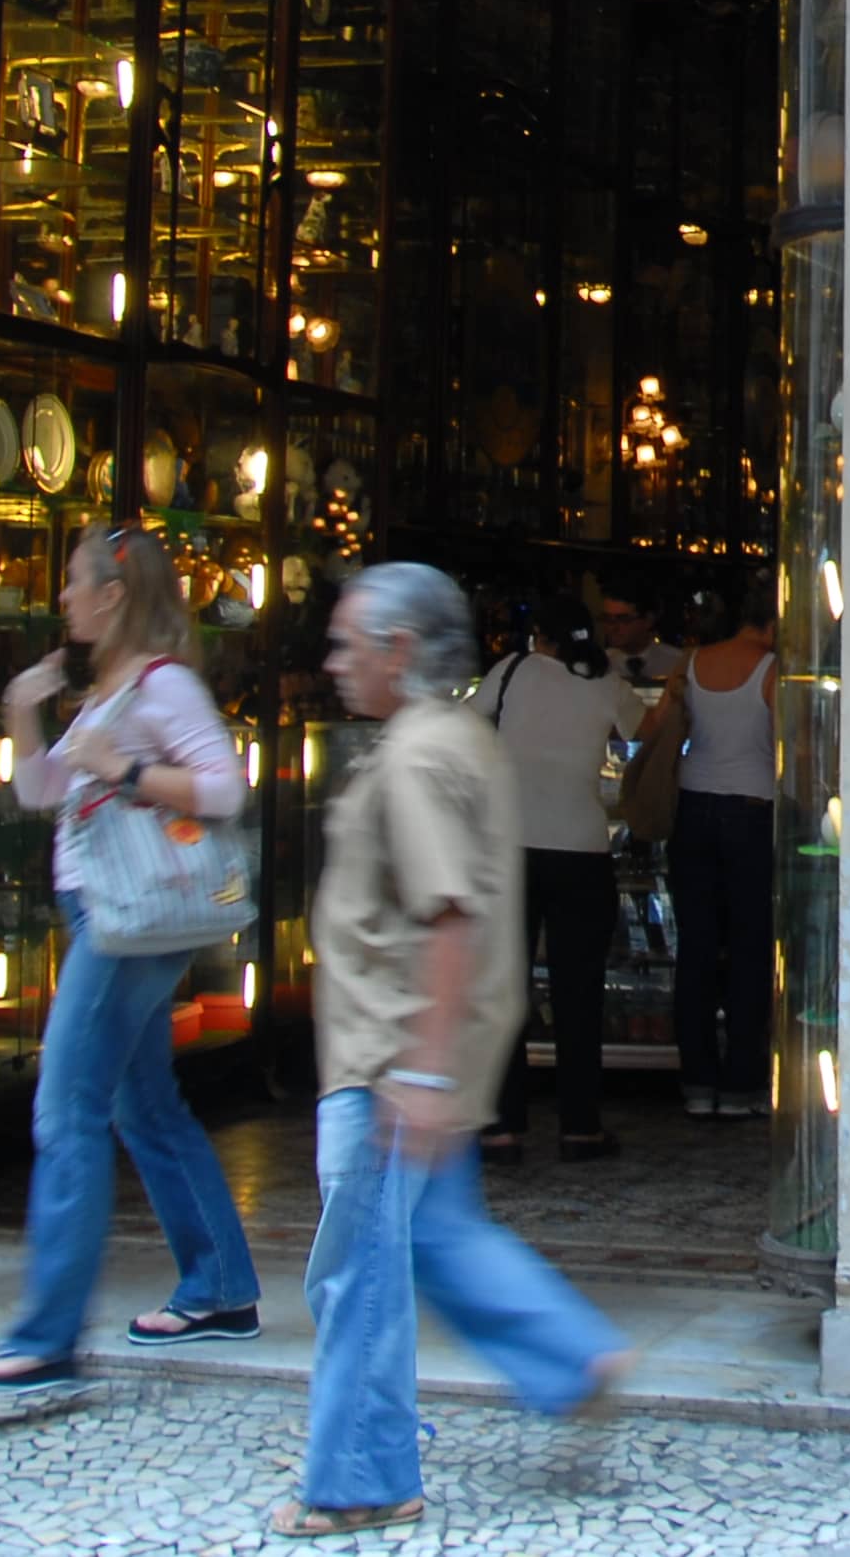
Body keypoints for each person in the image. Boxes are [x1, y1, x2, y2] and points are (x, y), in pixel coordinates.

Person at [277, 563, 631, 1539]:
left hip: (390, 1055)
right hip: (416, 1054)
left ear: (398, 650)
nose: (333, 661)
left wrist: (424, 1072)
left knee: (358, 1274)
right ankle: (571, 1356)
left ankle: (359, 1475)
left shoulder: (419, 755)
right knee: (434, 1239)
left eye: (347, 644)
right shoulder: (454, 738)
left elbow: (445, 914)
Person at [0, 525, 261, 1390]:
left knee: (67, 1110)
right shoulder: (115, 691)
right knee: (143, 1102)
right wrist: (24, 712)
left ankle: (47, 1333)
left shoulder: (161, 687)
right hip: (117, 916)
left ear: (114, 594)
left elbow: (225, 786)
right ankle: (219, 1285)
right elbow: (41, 789)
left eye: (73, 582)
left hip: (125, 923)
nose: (62, 598)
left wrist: (123, 767)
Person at [484, 595, 639, 1162]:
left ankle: (502, 1126)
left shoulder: (512, 670)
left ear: (540, 638)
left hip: (509, 846)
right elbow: (645, 730)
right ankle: (580, 1127)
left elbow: (464, 724)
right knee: (579, 991)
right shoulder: (608, 681)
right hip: (581, 848)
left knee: (505, 988)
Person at [649, 578, 778, 1123]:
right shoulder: (772, 671)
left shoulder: (692, 661)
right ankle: (742, 1083)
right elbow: (796, 745)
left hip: (693, 809)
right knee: (750, 949)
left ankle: (698, 1082)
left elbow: (654, 724)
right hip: (752, 809)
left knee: (697, 948)